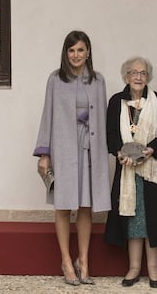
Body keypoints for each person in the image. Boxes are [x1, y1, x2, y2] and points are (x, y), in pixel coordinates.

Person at [33, 30, 111, 286]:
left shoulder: (98, 81)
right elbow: (48, 115)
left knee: (86, 206)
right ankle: (66, 260)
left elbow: (103, 116)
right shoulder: (55, 80)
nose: (76, 55)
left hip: (91, 147)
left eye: (80, 50)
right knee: (64, 205)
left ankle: (84, 260)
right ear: (65, 53)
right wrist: (45, 154)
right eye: (71, 50)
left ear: (88, 52)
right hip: (64, 147)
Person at [104, 56, 157, 288]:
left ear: (148, 77)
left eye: (143, 73)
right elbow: (110, 135)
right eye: (133, 72)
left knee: (152, 218)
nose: (138, 77)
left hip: (152, 170)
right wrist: (118, 153)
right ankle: (135, 267)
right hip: (127, 172)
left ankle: (154, 268)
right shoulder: (116, 101)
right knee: (133, 219)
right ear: (126, 76)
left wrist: (151, 150)